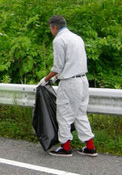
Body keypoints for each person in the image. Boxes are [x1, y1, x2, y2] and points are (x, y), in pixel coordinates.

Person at [38, 15, 97, 157]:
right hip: (83, 81)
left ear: (54, 27)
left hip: (70, 83)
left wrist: (46, 79)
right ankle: (90, 147)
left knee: (64, 114)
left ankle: (65, 148)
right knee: (80, 114)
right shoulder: (77, 38)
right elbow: (72, 62)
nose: (51, 31)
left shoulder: (59, 40)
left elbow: (58, 66)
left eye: (50, 28)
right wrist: (58, 75)